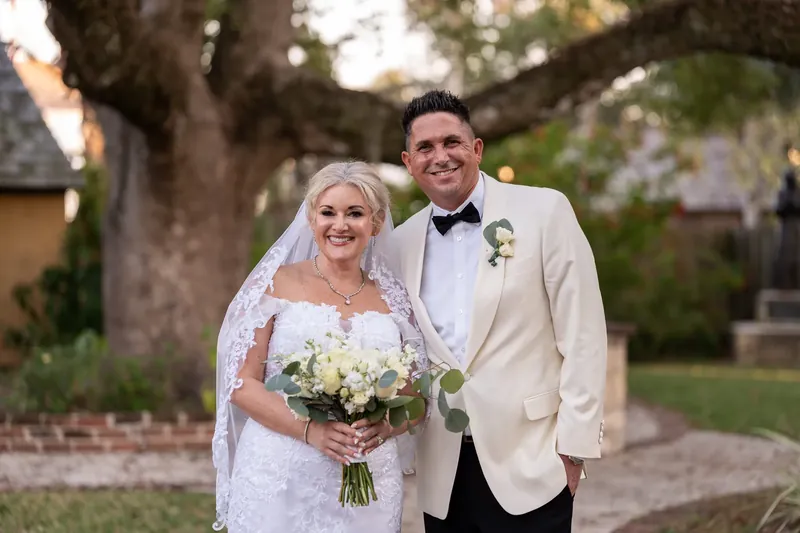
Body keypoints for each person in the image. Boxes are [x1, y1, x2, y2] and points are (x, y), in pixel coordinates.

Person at [391, 90, 608, 533]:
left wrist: (574, 450)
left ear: (476, 148)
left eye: (452, 142)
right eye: (425, 148)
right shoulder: (399, 243)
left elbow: (583, 335)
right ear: (408, 162)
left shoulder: (545, 211)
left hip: (533, 461)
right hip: (444, 470)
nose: (441, 156)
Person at [211, 161, 427, 533]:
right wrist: (312, 430)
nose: (339, 225)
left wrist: (385, 427)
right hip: (281, 476)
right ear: (312, 219)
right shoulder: (277, 284)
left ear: (375, 224)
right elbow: (241, 382)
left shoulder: (396, 299)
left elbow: (417, 400)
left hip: (369, 482)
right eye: (328, 212)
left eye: (354, 213)